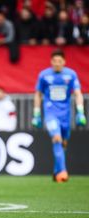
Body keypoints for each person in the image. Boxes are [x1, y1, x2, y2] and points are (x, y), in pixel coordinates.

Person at [32, 49, 86, 183]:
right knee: (57, 138)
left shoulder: (71, 74)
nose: (57, 64)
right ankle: (62, 172)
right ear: (51, 62)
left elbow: (78, 93)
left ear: (64, 62)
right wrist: (36, 113)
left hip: (65, 115)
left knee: (63, 143)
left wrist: (80, 111)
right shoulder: (44, 75)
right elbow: (38, 94)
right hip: (50, 113)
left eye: (59, 61)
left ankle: (56, 172)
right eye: (54, 61)